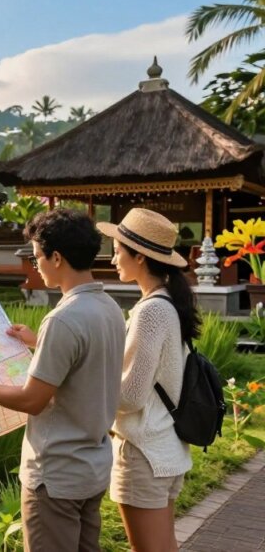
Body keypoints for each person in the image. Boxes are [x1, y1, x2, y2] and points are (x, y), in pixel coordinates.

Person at [0, 208, 125, 551]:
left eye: (38, 256)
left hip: (56, 476)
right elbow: (85, 360)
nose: (35, 264)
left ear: (57, 257)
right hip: (91, 468)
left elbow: (33, 400)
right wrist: (36, 342)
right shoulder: (109, 308)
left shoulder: (63, 320)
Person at [97, 208, 197, 552]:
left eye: (117, 250)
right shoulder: (167, 303)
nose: (112, 259)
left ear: (139, 256)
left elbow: (131, 397)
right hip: (163, 448)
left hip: (143, 453)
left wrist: (77, 382)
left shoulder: (152, 311)